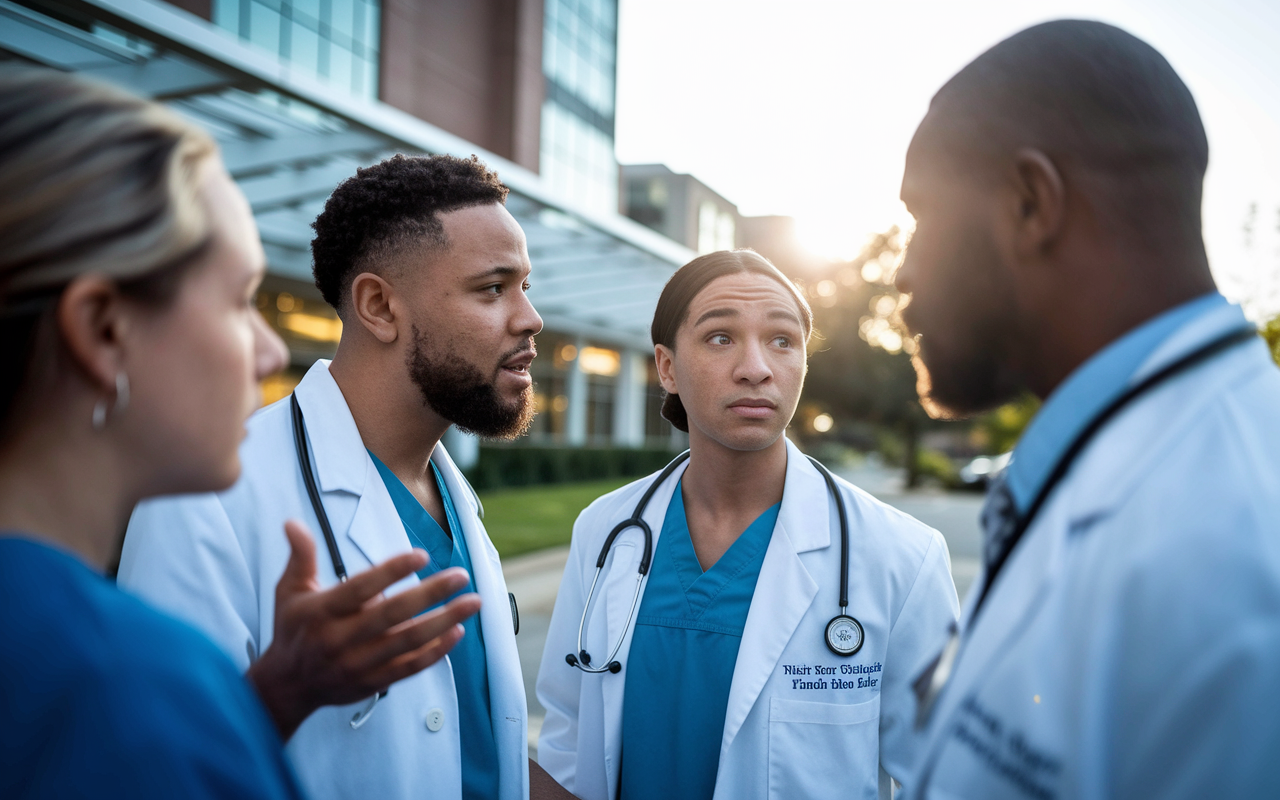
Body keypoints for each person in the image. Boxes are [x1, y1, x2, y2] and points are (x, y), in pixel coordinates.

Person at [0, 67, 479, 797]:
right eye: (237, 300)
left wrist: (276, 695)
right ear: (102, 330)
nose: (269, 351)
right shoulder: (123, 679)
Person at [895, 20, 1280, 799]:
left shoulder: (1235, 560)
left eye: (921, 217)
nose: (902, 272)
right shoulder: (1112, 466)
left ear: (1031, 203)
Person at [119, 153, 570, 800]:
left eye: (525, 285)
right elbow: (146, 771)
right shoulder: (204, 498)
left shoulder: (451, 495)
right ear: (380, 306)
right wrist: (286, 689)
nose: (530, 318)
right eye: (493, 288)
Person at [535, 249, 960, 800]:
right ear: (666, 367)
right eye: (720, 338)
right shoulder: (605, 531)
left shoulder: (903, 556)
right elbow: (569, 732)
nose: (756, 367)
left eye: (782, 340)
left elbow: (948, 775)